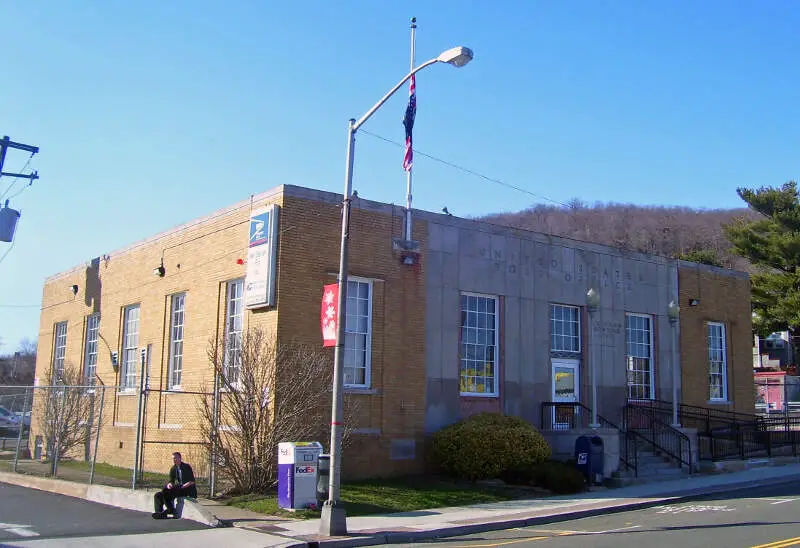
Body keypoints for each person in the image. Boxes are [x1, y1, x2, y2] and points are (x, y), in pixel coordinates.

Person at [152, 452, 197, 519]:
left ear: (180, 458)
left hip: (187, 489)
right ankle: (159, 513)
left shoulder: (186, 467)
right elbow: (171, 481)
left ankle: (170, 510)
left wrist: (181, 487)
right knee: (158, 495)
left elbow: (192, 481)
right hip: (179, 488)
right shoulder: (173, 468)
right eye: (173, 459)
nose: (174, 460)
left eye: (175, 458)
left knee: (167, 492)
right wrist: (169, 485)